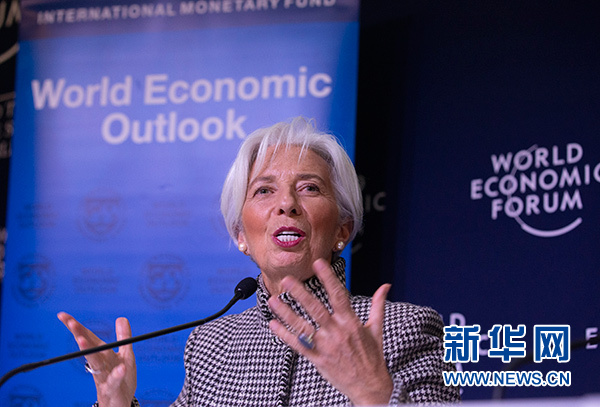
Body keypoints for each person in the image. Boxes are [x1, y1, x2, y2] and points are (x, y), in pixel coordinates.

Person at [59, 117, 460, 406]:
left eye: (310, 187)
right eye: (264, 190)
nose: (286, 204)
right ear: (240, 235)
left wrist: (373, 394)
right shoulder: (210, 345)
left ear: (343, 229)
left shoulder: (404, 328)